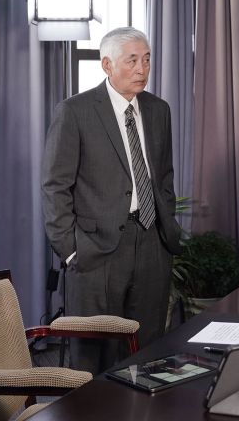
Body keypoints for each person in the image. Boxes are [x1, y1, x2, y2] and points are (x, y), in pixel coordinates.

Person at [42, 27, 184, 372]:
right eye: (132, 61)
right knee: (94, 353)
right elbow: (55, 186)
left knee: (148, 346)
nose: (142, 69)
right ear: (107, 64)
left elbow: (163, 176)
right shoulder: (75, 111)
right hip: (96, 250)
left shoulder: (158, 110)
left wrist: (167, 228)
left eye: (147, 60)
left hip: (152, 241)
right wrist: (71, 248)